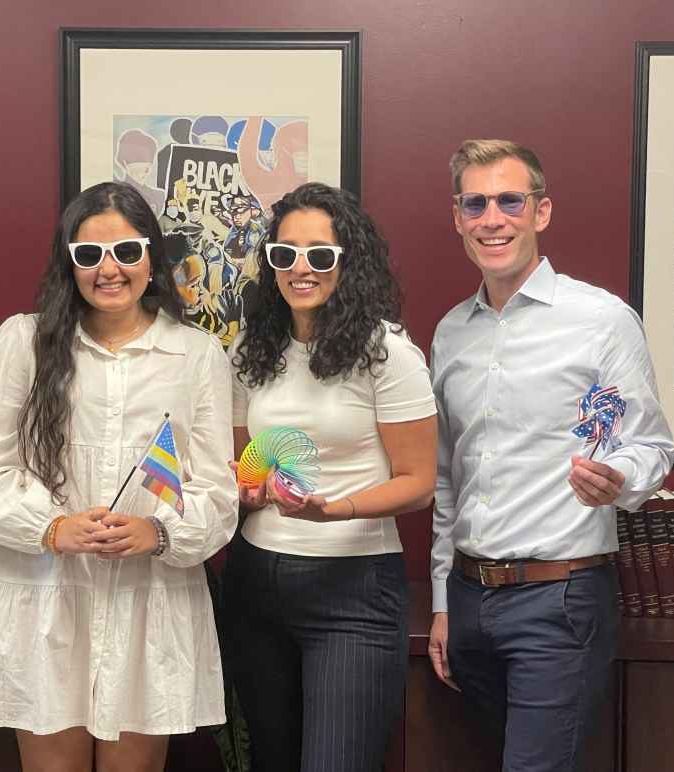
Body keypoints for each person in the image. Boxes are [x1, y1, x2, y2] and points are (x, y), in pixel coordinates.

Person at [0, 181, 238, 772]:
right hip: (44, 596)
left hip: (149, 598)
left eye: (126, 252)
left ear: (152, 259)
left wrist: (161, 534)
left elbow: (216, 489)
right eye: (89, 254)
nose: (109, 269)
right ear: (67, 261)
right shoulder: (23, 341)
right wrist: (53, 527)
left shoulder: (196, 354)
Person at [428, 139, 673, 772]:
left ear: (542, 212)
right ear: (457, 218)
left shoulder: (601, 320)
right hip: (469, 599)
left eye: (511, 200)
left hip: (559, 599)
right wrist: (442, 603)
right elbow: (447, 477)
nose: (493, 218)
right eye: (475, 203)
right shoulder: (452, 332)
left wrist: (618, 478)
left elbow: (650, 445)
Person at [225, 182, 438, 772]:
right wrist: (246, 488)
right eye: (284, 254)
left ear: (349, 262)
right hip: (255, 581)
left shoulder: (386, 351)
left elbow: (419, 481)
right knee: (271, 760)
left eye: (320, 255)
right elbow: (248, 463)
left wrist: (335, 509)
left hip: (354, 587)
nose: (300, 269)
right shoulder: (251, 348)